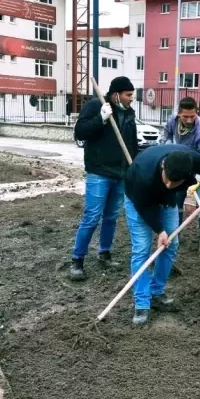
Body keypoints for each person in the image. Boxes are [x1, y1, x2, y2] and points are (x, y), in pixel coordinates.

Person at [124, 144, 200, 325]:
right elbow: (144, 207)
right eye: (167, 179)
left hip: (166, 200)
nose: (168, 184)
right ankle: (142, 302)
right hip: (138, 201)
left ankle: (157, 292)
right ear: (163, 166)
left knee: (171, 245)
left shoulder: (192, 160)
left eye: (174, 183)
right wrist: (160, 230)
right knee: (142, 249)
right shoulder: (143, 174)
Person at [69, 76, 139, 280]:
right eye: (128, 95)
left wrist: (132, 168)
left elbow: (131, 143)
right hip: (99, 172)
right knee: (92, 217)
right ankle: (77, 260)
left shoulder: (128, 113)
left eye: (132, 95)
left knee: (111, 217)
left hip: (121, 174)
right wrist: (100, 119)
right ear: (116, 94)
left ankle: (104, 253)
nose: (130, 99)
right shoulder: (95, 106)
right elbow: (80, 133)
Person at [162, 97, 200, 253]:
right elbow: (166, 134)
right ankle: (176, 234)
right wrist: (167, 145)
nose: (190, 120)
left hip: (198, 169)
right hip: (179, 168)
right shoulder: (173, 121)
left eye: (193, 116)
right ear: (179, 114)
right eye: (185, 116)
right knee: (175, 201)